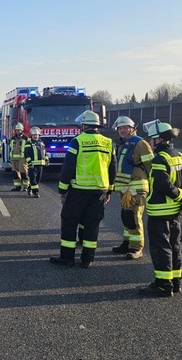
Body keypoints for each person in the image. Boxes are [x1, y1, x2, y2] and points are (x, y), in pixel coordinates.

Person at [50, 111, 115, 268]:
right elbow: (112, 168)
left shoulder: (77, 141)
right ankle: (88, 259)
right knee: (92, 224)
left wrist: (62, 190)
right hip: (99, 190)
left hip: (79, 190)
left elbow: (68, 168)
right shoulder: (108, 142)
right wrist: (110, 190)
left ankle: (67, 258)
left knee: (70, 221)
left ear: (84, 125)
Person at [138, 120, 182, 297]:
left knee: (160, 248)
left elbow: (163, 184)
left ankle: (163, 284)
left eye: (152, 139)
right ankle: (176, 282)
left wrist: (178, 196)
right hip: (175, 213)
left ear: (160, 140)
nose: (150, 142)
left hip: (159, 212)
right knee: (175, 246)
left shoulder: (159, 159)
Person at [110, 116, 153, 260]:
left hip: (137, 187)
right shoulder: (124, 144)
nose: (122, 130)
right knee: (126, 216)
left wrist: (152, 186)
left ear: (132, 128)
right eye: (120, 128)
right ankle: (127, 243)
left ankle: (136, 248)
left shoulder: (140, 143)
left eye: (125, 128)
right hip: (126, 188)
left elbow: (151, 167)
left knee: (134, 218)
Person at [24, 126, 49, 198]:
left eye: (37, 135)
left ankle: (30, 188)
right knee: (33, 179)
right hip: (32, 165)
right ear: (31, 136)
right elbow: (26, 154)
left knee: (38, 179)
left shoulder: (41, 143)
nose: (35, 136)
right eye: (34, 135)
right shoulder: (28, 143)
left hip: (40, 165)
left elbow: (45, 153)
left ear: (39, 135)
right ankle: (36, 192)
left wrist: (47, 160)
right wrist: (29, 163)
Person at [8, 123, 30, 192]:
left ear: (22, 130)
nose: (18, 131)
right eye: (17, 130)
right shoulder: (13, 139)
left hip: (23, 159)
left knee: (23, 173)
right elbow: (11, 148)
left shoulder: (26, 139)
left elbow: (29, 149)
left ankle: (26, 187)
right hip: (14, 159)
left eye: (19, 130)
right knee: (15, 173)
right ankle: (17, 187)